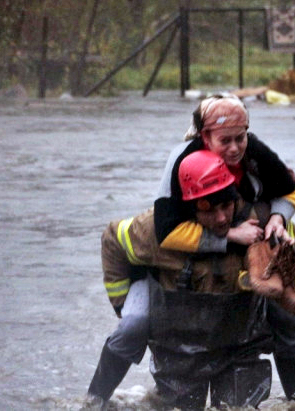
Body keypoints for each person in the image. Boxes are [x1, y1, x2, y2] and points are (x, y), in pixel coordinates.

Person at [153, 94, 295, 406]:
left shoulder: (253, 150)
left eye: (239, 138)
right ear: (205, 137)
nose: (234, 148)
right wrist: (229, 235)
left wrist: (279, 219)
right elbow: (167, 232)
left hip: (264, 253)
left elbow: (290, 188)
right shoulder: (181, 162)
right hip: (206, 263)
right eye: (224, 140)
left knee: (288, 322)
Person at [86, 150, 276, 410]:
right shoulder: (157, 231)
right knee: (134, 327)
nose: (221, 218)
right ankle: (93, 401)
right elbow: (112, 240)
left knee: (287, 325)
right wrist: (122, 303)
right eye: (209, 210)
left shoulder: (261, 223)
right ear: (189, 208)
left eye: (226, 206)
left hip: (239, 344)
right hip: (179, 347)